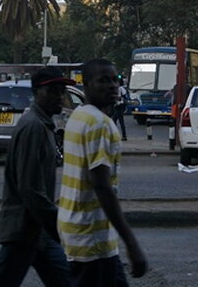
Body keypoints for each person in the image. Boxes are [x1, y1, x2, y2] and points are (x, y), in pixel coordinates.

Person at [58, 58, 147, 285]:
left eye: (115, 80)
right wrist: (132, 244)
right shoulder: (99, 124)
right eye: (103, 80)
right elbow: (101, 185)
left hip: (80, 230)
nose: (112, 86)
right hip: (91, 236)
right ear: (86, 84)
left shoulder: (79, 116)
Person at [0, 65, 74, 287]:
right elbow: (30, 188)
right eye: (52, 91)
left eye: (61, 92)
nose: (59, 97)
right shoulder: (33, 127)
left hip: (37, 230)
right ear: (36, 92)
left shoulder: (43, 124)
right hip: (24, 229)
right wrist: (57, 225)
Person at [110, 76, 129, 142]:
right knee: (118, 120)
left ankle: (121, 136)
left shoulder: (121, 89)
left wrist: (118, 98)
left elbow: (124, 97)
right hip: (117, 106)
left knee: (117, 120)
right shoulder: (117, 89)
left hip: (120, 106)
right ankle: (122, 136)